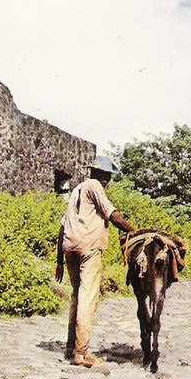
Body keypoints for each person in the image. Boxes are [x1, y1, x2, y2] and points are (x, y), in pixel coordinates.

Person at [55, 155, 135, 367]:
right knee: (88, 298)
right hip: (89, 248)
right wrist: (135, 232)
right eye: (107, 176)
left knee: (76, 295)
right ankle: (80, 354)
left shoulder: (76, 190)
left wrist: (59, 261)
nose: (107, 180)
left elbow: (62, 226)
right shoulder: (95, 186)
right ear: (102, 175)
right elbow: (112, 215)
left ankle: (71, 346)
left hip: (69, 248)